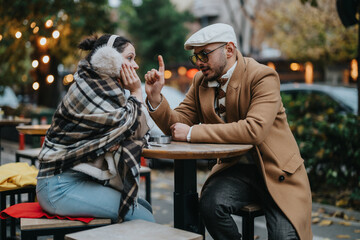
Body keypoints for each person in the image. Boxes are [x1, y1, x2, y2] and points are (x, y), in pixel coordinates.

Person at [144, 23, 312, 240]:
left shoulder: (263, 76)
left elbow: (254, 130)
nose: (200, 63)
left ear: (229, 50)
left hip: (277, 172)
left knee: (284, 237)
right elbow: (178, 124)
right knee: (209, 205)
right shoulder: (200, 81)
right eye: (196, 57)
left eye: (205, 54)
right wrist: (156, 97)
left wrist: (192, 133)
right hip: (236, 172)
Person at [36, 34, 155, 224]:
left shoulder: (104, 89)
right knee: (143, 217)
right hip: (58, 187)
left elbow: (136, 128)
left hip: (78, 179)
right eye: (130, 58)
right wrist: (136, 92)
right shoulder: (89, 89)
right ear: (109, 60)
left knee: (145, 207)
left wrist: (148, 96)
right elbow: (134, 129)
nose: (136, 66)